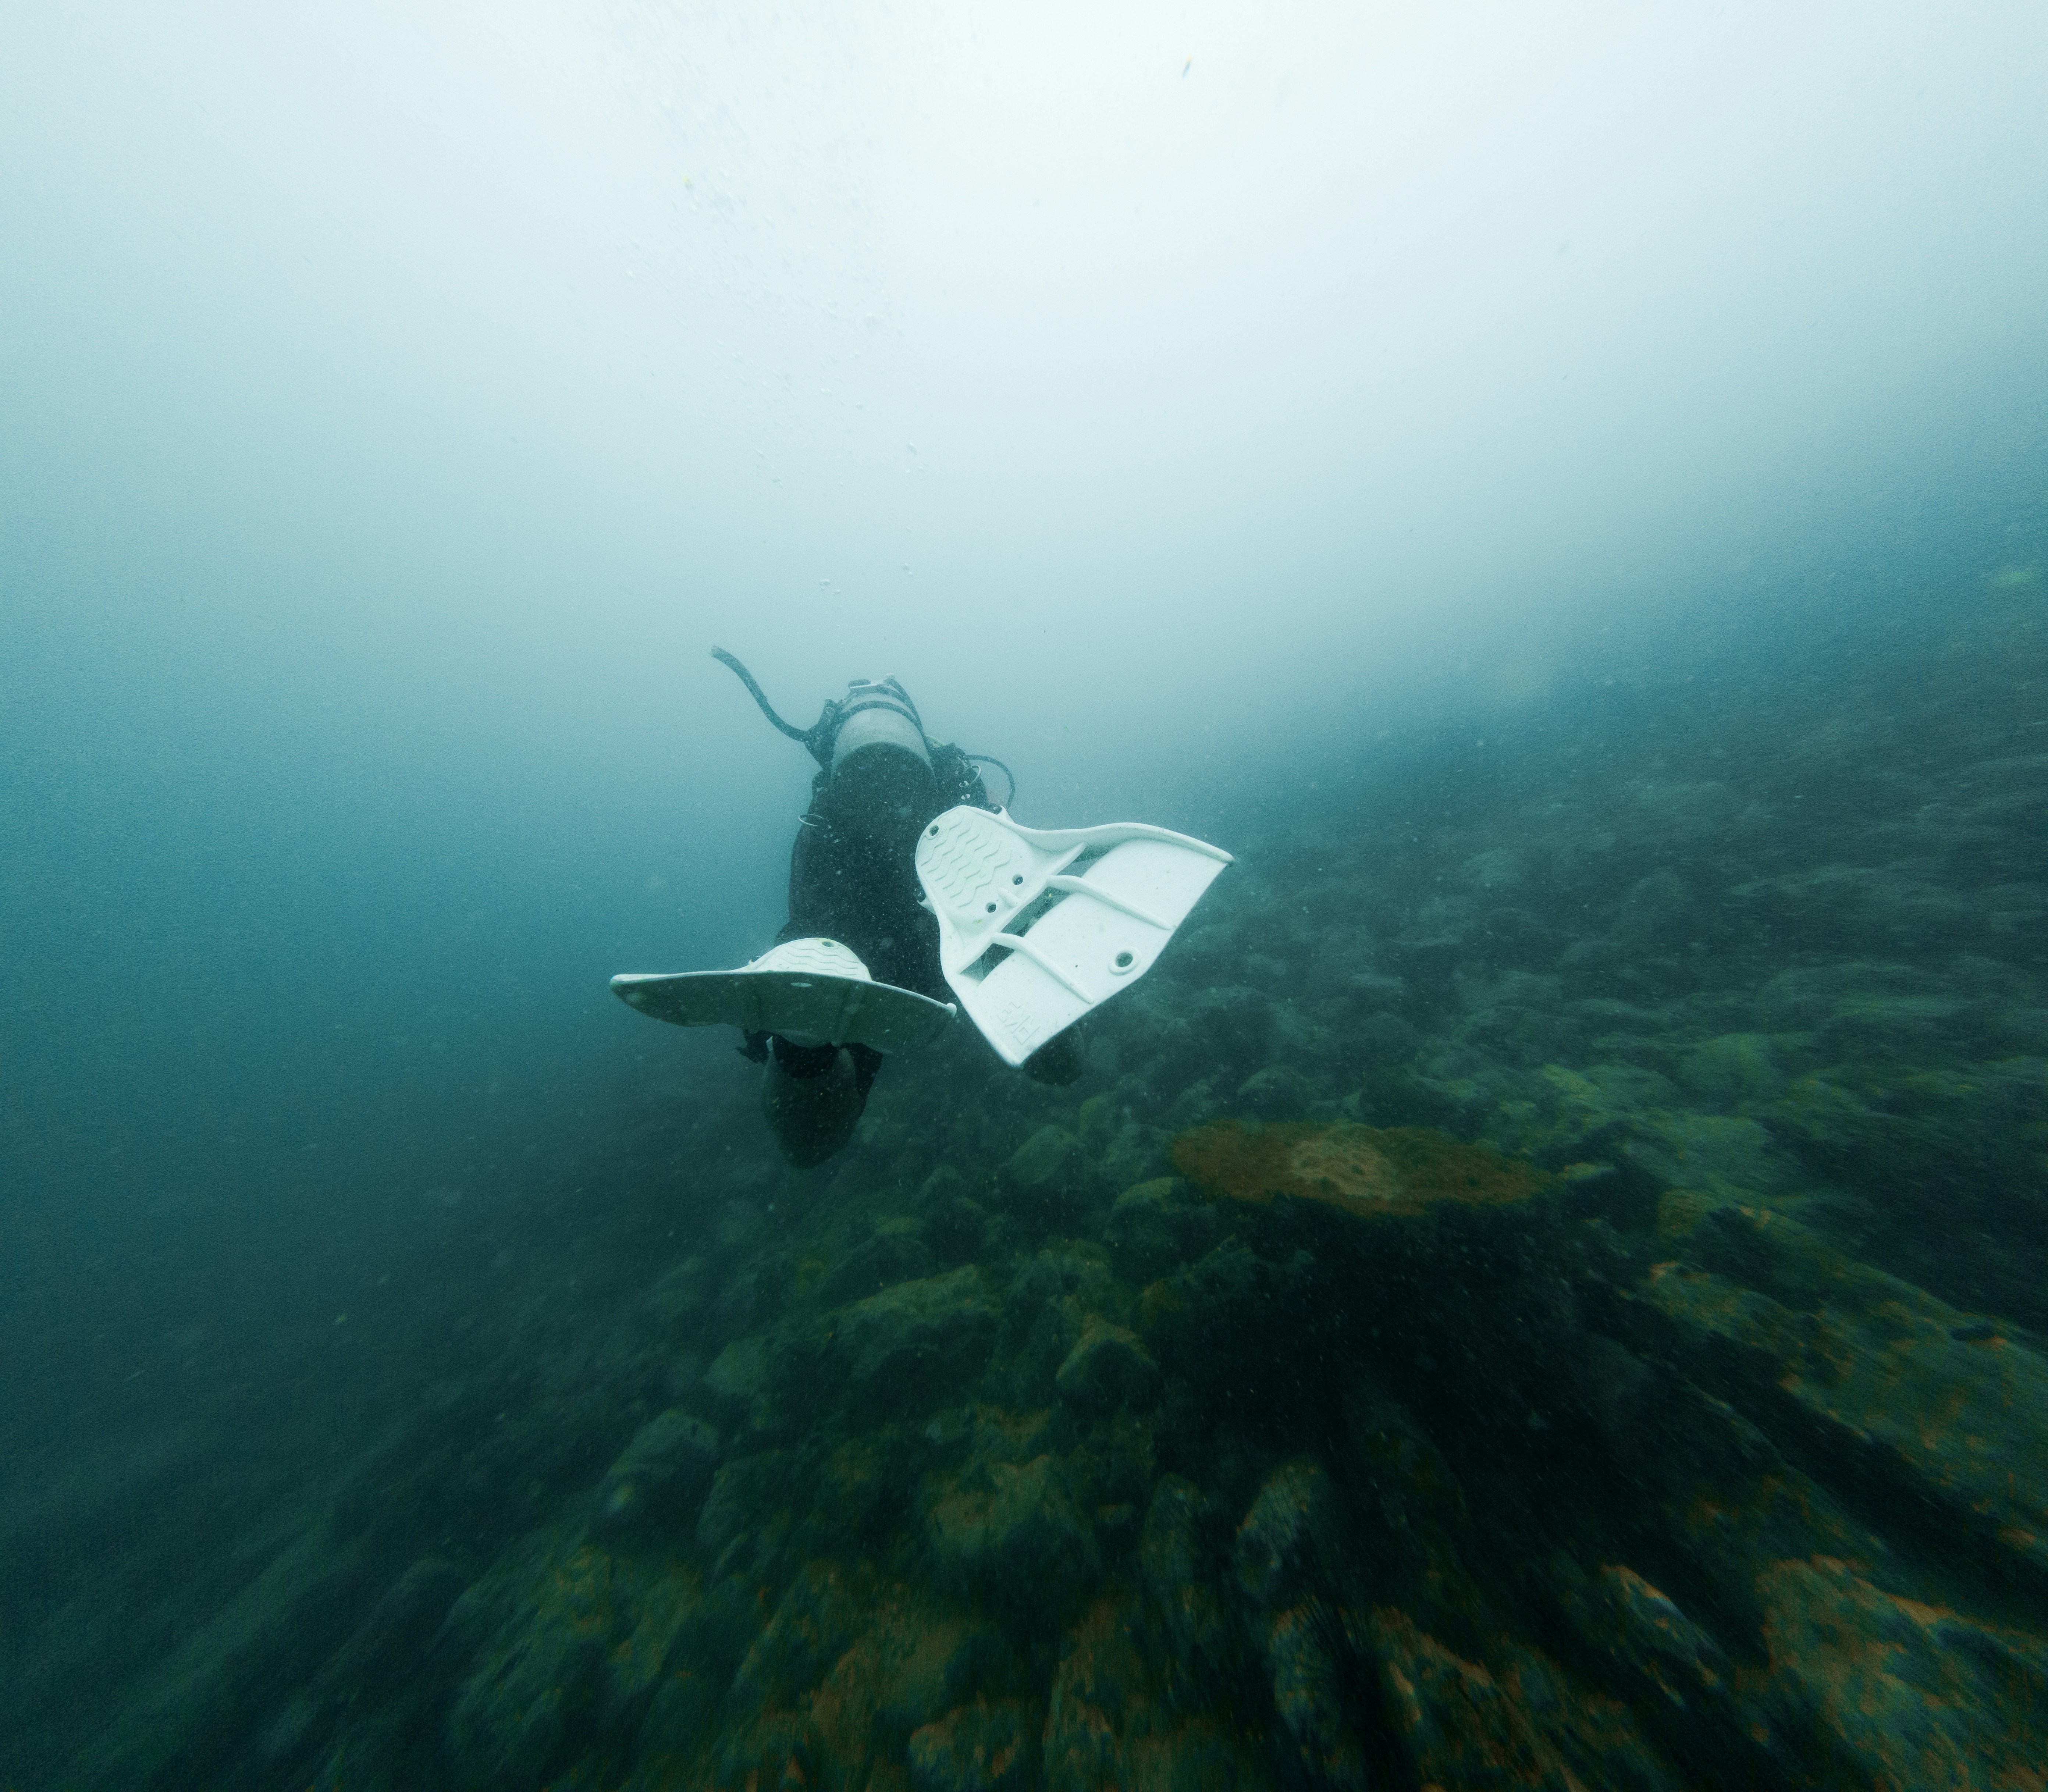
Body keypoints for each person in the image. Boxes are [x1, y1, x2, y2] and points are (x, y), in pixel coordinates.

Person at [714, 652, 1085, 1167]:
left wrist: (796, 1028)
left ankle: (804, 1046)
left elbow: (808, 923)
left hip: (877, 967)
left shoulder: (829, 822)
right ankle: (806, 1042)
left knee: (809, 1135)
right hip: (952, 944)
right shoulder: (950, 787)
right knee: (1059, 1060)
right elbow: (1007, 870)